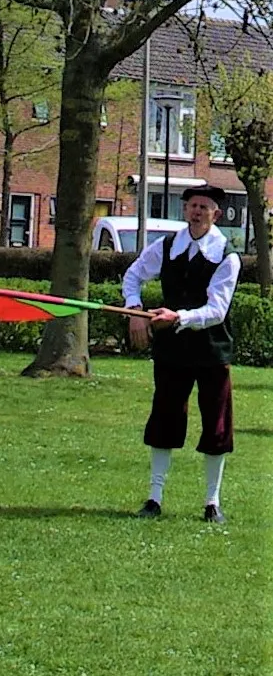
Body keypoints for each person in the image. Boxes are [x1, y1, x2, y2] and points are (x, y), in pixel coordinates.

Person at [124, 185, 240, 524]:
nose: (197, 211)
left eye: (204, 207)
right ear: (185, 209)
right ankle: (154, 498)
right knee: (165, 418)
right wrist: (134, 309)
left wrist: (180, 317)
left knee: (216, 425)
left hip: (212, 350)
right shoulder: (168, 245)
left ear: (215, 214)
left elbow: (217, 310)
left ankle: (212, 502)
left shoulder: (225, 254)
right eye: (192, 205)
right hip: (172, 351)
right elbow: (133, 275)